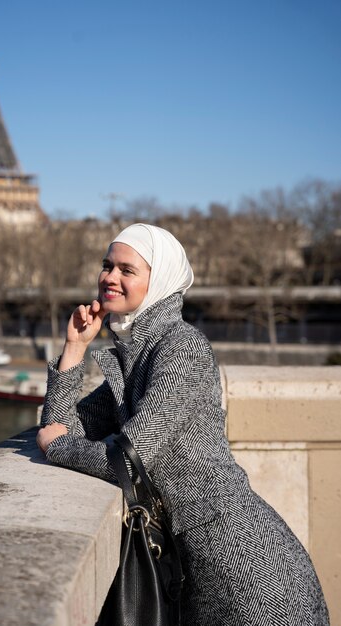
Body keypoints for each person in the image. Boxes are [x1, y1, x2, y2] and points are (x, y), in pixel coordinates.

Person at [37, 223, 329, 626]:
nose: (110, 277)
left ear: (159, 281)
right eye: (107, 265)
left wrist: (60, 448)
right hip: (192, 555)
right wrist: (74, 348)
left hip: (244, 563)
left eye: (127, 269)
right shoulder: (133, 357)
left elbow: (124, 457)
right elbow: (57, 426)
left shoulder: (181, 348)